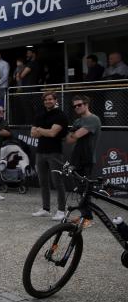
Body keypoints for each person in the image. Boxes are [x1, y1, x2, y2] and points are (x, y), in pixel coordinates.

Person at [31, 91, 69, 220]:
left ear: (55, 100)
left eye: (50, 99)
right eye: (46, 99)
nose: (48, 101)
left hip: (55, 153)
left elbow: (53, 133)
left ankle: (61, 211)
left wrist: (40, 130)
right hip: (40, 152)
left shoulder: (60, 115)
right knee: (43, 182)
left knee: (57, 182)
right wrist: (43, 131)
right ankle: (46, 209)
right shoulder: (39, 114)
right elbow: (33, 134)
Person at [66, 95, 101, 228]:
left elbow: (75, 135)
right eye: (74, 106)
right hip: (77, 158)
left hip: (87, 159)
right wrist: (73, 134)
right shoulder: (77, 121)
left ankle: (88, 218)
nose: (77, 107)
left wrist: (73, 133)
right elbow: (70, 140)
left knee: (86, 190)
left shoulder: (93, 119)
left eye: (79, 105)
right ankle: (84, 215)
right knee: (80, 190)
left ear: (86, 104)